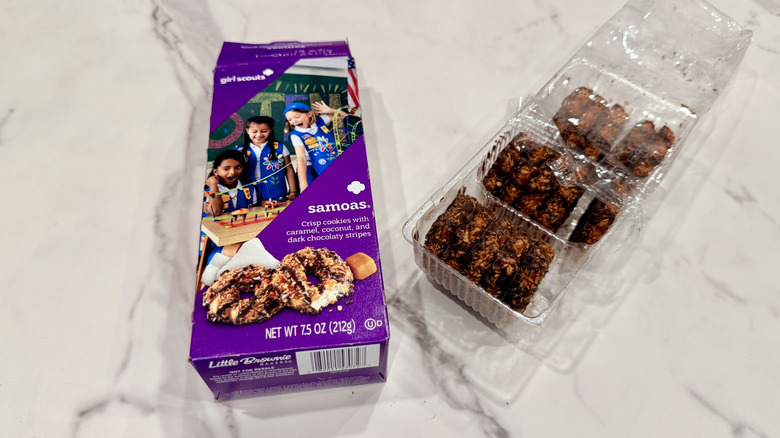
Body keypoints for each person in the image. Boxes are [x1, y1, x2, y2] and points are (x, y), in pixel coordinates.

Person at [284, 101, 344, 191]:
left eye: (297, 117)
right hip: (310, 167)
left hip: (329, 162)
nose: (294, 121)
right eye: (290, 120)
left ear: (309, 114)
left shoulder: (321, 120)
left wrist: (331, 110)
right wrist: (303, 184)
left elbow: (343, 116)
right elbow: (301, 159)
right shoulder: (295, 135)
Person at [239, 115, 298, 205]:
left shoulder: (280, 147)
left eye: (264, 131)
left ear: (270, 130)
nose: (259, 135)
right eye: (254, 131)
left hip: (276, 192)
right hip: (250, 195)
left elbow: (289, 169)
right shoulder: (239, 151)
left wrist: (293, 191)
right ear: (247, 131)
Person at [203, 149, 255, 217]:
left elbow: (256, 208)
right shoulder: (206, 193)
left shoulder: (250, 188)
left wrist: (264, 202)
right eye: (226, 169)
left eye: (238, 167)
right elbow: (215, 212)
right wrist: (213, 185)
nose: (233, 172)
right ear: (215, 172)